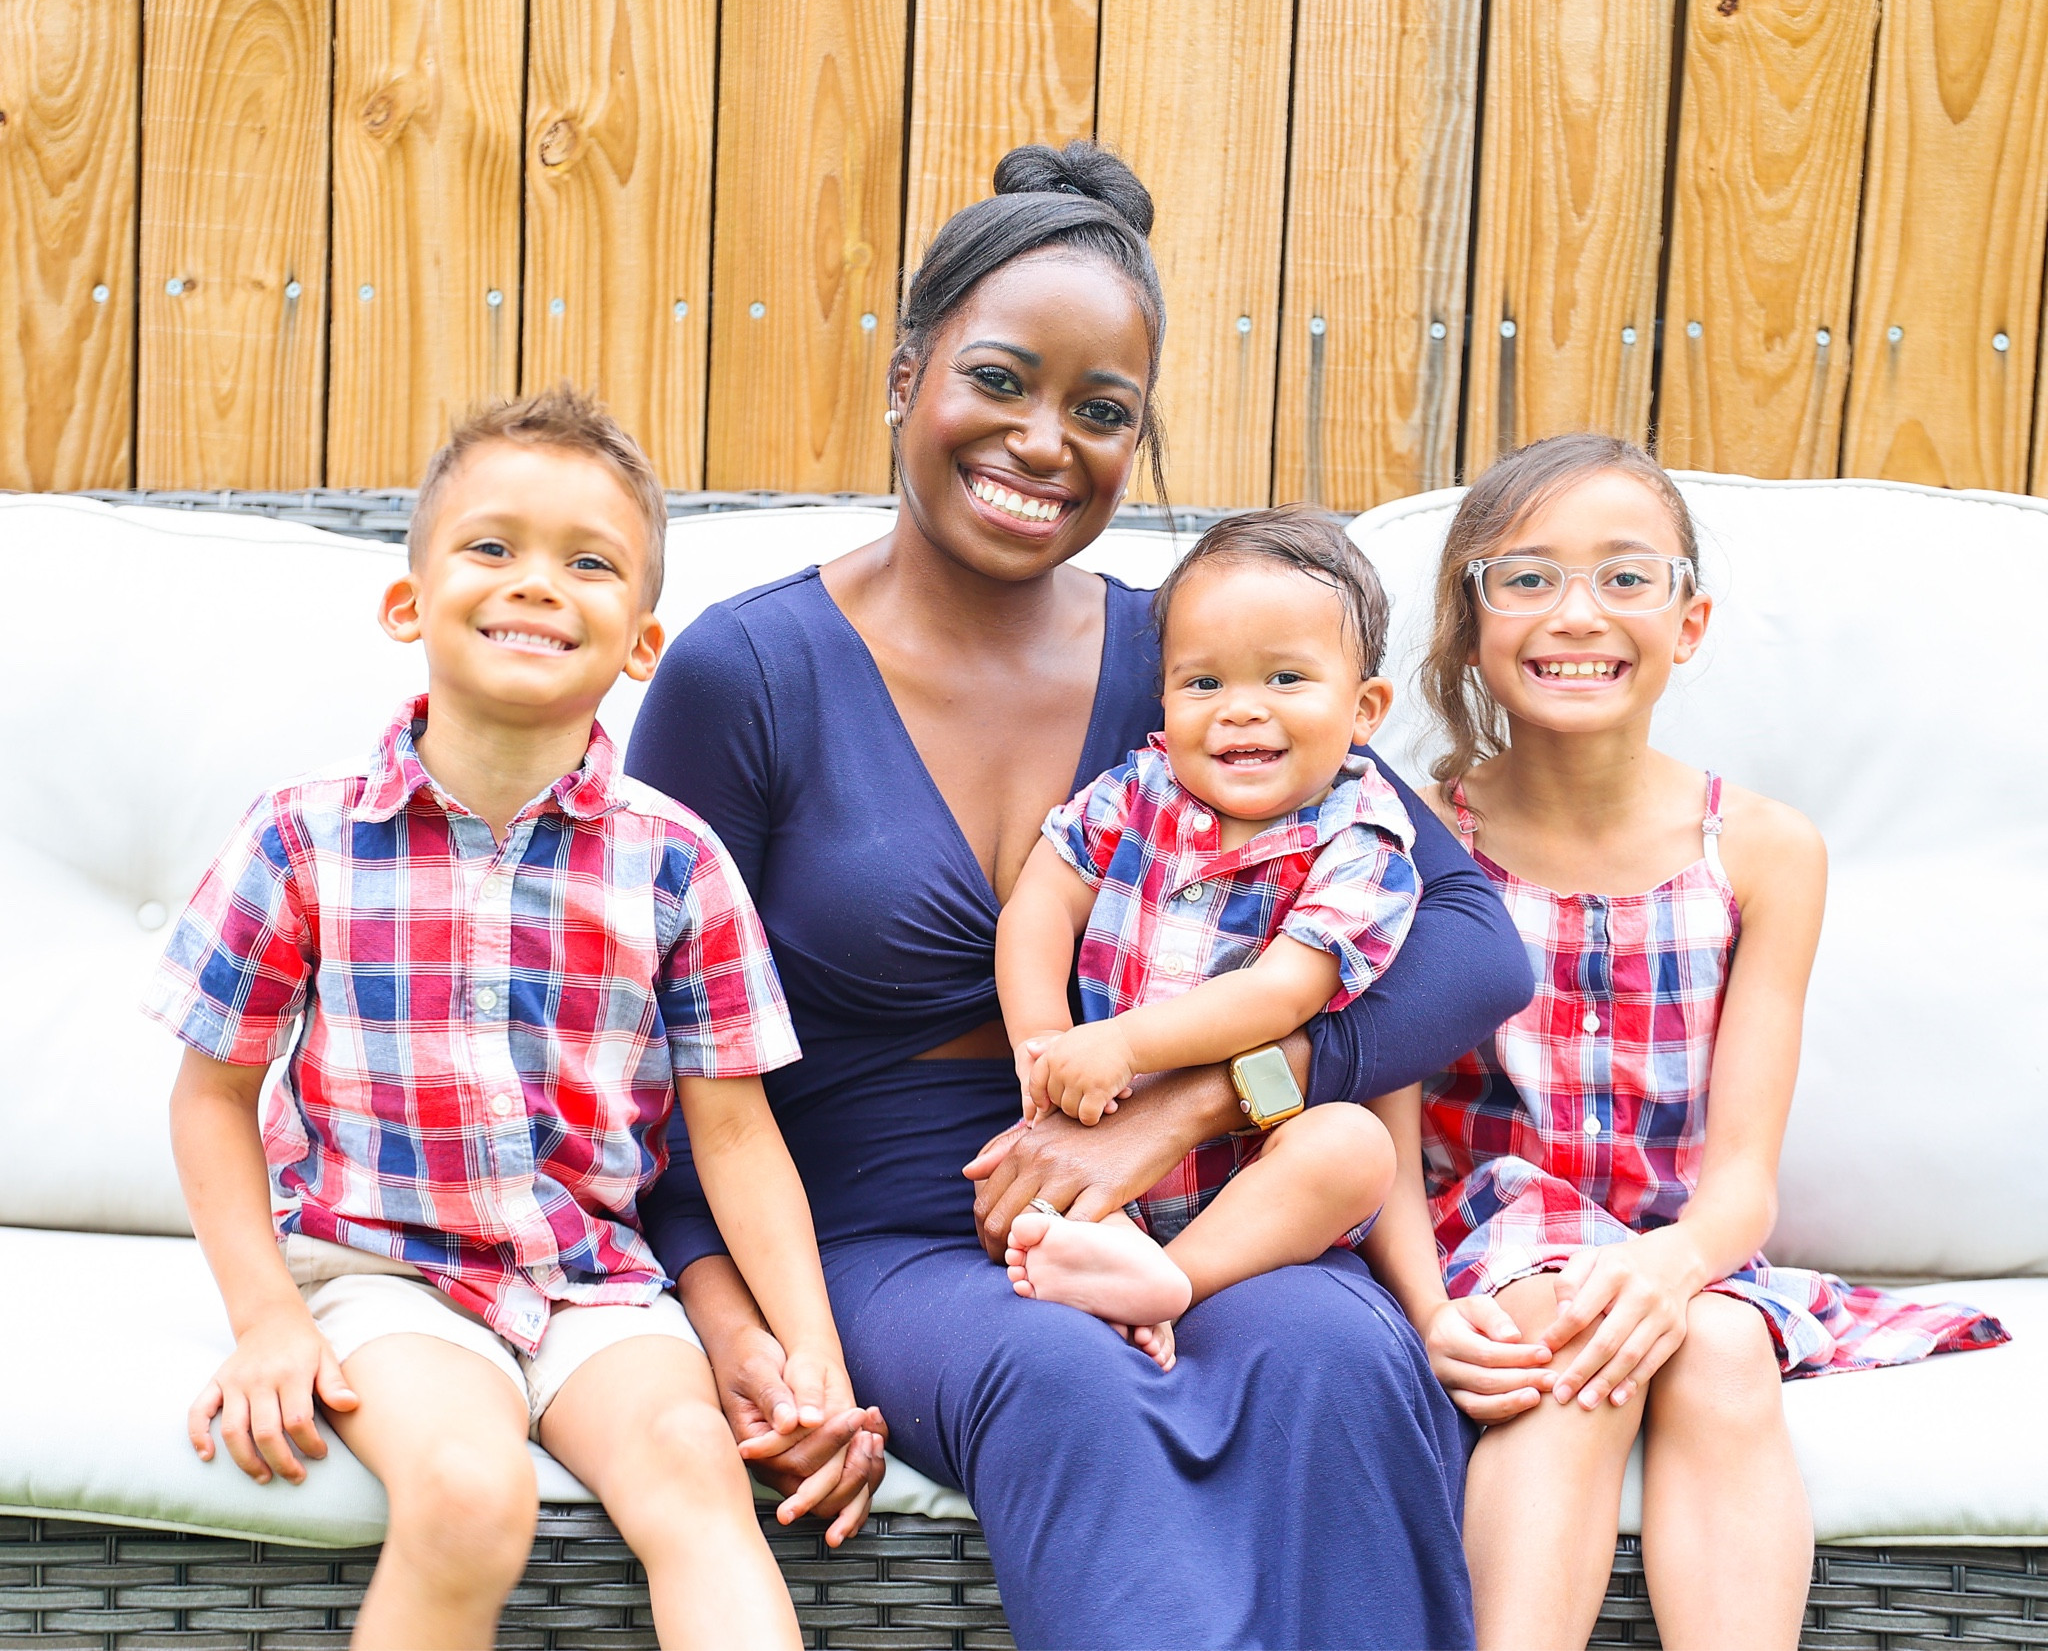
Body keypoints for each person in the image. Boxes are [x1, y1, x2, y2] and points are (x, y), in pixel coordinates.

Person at [626, 141, 1535, 1650]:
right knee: (1063, 1376)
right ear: (908, 376)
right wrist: (736, 1326)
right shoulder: (748, 673)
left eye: (1102, 412)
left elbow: (1469, 941)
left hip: (1179, 1190)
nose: (1047, 441)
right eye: (1001, 380)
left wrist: (1207, 1098)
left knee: (1328, 1349)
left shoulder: (1189, 669)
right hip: (880, 1233)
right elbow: (647, 1065)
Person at [146, 388, 871, 1651]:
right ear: (408, 603)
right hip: (383, 1270)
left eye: (588, 562)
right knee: (471, 1491)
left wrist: (813, 1353)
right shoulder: (304, 835)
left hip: (592, 1279)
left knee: (697, 1473)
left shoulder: (675, 862)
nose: (539, 583)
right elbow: (211, 1098)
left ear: (639, 641)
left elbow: (739, 1136)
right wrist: (266, 1317)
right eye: (493, 547)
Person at [1362, 432, 2009, 1651]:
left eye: (1624, 576)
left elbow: (1738, 1182)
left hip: (1682, 1248)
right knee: (1570, 1332)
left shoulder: (1762, 851)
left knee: (1714, 1346)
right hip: (1488, 1237)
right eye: (1525, 576)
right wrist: (1425, 1307)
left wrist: (1670, 1269)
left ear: (1689, 621)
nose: (1576, 613)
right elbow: (1383, 1133)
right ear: (1472, 616)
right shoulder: (1407, 839)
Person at [994, 509, 1415, 1365]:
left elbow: (1283, 993)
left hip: (1258, 1162)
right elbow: (1039, 904)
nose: (1241, 712)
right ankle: (1104, 1258)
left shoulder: (1363, 838)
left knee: (1353, 1147)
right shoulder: (1138, 790)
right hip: (1095, 1126)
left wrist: (1119, 1041)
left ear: (1364, 707)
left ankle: (1172, 1279)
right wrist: (1043, 1044)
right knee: (1009, 1179)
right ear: (1165, 699)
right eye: (1204, 684)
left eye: (1287, 678)